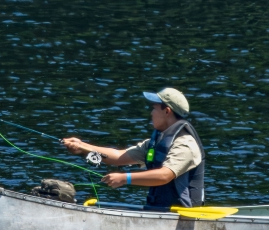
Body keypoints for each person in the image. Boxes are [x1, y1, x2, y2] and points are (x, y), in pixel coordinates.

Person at [62, 88, 205, 208]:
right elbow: (119, 156)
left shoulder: (185, 144)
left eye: (154, 109)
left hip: (182, 216)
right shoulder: (155, 142)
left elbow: (164, 175)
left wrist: (125, 178)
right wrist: (83, 147)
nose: (151, 113)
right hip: (160, 210)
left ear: (167, 111)